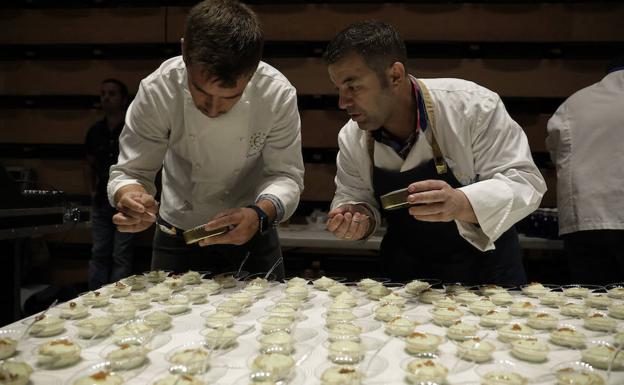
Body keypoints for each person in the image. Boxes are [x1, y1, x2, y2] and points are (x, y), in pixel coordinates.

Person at [324, 21, 546, 284]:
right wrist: (357, 217)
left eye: (353, 86)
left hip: (487, 277)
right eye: (338, 88)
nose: (342, 102)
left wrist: (461, 203)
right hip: (406, 282)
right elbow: (354, 194)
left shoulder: (473, 106)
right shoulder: (352, 136)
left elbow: (525, 181)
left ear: (395, 75)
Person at [107, 0, 304, 279]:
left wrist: (259, 215)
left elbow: (286, 175)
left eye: (229, 99)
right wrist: (132, 198)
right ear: (185, 49)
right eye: (201, 92)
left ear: (252, 70)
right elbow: (130, 171)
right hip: (177, 235)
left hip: (253, 233)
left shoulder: (276, 94)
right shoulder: (158, 90)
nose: (212, 110)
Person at [546, 55, 624, 284]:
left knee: (593, 304)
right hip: (590, 218)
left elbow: (556, 152)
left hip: (586, 219)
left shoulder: (575, 103)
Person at [85, 78, 136, 289]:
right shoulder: (95, 130)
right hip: (101, 200)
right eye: (103, 93)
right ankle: (93, 296)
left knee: (121, 255)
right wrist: (91, 192)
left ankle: (119, 298)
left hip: (126, 200)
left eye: (112, 93)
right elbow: (88, 165)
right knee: (99, 252)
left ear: (124, 99)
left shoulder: (133, 128)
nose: (106, 97)